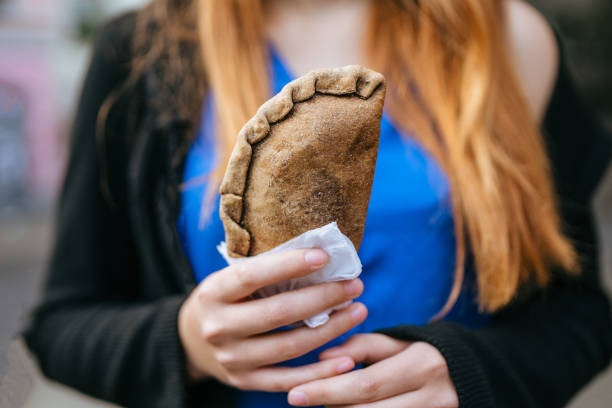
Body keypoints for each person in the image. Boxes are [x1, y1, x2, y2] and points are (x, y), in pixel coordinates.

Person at [24, 0, 612, 407]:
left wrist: (478, 373)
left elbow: (581, 312)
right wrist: (185, 343)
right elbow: (61, 326)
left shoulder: (505, 41)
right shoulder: (143, 56)